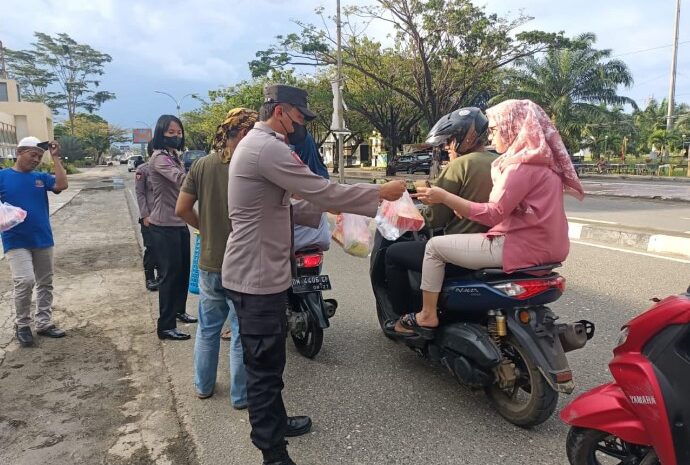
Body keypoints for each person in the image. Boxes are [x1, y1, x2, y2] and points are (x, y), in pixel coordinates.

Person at [222, 84, 405, 465]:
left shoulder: (261, 146)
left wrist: (333, 214)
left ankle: (277, 421)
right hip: (255, 275)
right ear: (281, 111)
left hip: (263, 271)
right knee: (263, 368)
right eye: (300, 117)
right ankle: (273, 452)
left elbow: (288, 205)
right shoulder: (267, 147)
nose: (301, 125)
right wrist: (378, 194)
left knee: (271, 362)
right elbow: (321, 190)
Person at [397, 99, 584, 333]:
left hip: (518, 246)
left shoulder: (519, 167)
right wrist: (458, 206)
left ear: (512, 127)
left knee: (434, 247)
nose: (491, 137)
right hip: (551, 248)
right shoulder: (546, 167)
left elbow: (494, 214)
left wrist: (444, 197)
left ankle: (427, 314)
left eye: (495, 130)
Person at [175, 108, 257, 407]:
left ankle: (203, 386)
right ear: (246, 134)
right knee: (239, 332)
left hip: (211, 261)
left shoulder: (202, 165)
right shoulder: (253, 166)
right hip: (244, 264)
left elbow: (182, 209)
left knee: (208, 329)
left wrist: (206, 229)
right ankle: (240, 396)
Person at [385, 107, 497, 319]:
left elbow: (436, 217)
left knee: (393, 255)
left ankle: (406, 317)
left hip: (462, 251)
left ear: (465, 138)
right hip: (498, 248)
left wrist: (403, 216)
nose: (446, 146)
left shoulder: (460, 165)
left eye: (450, 140)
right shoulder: (500, 163)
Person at [0, 137, 68, 347]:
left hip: (42, 237)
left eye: (39, 156)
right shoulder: (3, 176)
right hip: (15, 239)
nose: (37, 159)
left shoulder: (40, 177)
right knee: (25, 281)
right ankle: (22, 325)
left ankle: (44, 323)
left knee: (45, 282)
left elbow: (62, 184)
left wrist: (55, 158)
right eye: (33, 154)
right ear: (19, 152)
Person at [148, 115, 197, 341]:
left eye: (178, 132)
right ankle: (165, 325)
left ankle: (178, 311)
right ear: (161, 133)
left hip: (179, 223)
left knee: (183, 273)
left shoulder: (173, 156)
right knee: (169, 276)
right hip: (163, 225)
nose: (176, 136)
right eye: (171, 132)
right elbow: (181, 180)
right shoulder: (159, 159)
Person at [134, 142, 159, 291]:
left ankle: (162, 276)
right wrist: (145, 215)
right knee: (151, 247)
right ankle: (149, 277)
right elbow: (140, 193)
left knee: (163, 248)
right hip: (149, 217)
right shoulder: (142, 170)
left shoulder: (168, 168)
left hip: (164, 216)